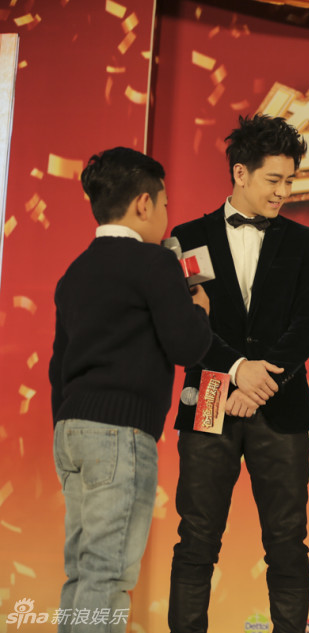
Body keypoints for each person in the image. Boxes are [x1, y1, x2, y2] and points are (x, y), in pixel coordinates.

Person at [167, 114, 309, 633]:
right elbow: (190, 323)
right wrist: (236, 370)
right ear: (240, 172)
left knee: (287, 541)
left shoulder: (302, 241)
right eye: (274, 180)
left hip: (281, 405)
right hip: (211, 395)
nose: (283, 192)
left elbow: (306, 326)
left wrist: (258, 386)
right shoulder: (188, 238)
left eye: (290, 181)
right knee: (196, 539)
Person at [49, 147, 211, 633]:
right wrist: (200, 311)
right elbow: (187, 346)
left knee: (83, 570)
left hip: (71, 433)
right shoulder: (154, 263)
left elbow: (58, 366)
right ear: (144, 203)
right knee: (109, 572)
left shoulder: (75, 271)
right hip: (119, 434)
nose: (166, 216)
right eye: (164, 205)